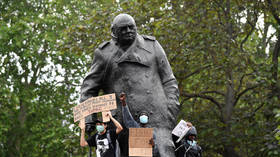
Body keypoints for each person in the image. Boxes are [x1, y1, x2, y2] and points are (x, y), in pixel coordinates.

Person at [80, 13, 180, 157]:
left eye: (131, 27)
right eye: (123, 29)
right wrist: (89, 120)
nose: (128, 31)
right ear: (114, 32)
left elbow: (169, 81)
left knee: (164, 153)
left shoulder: (152, 46)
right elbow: (89, 89)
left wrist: (171, 110)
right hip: (127, 125)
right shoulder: (104, 54)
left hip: (158, 120)